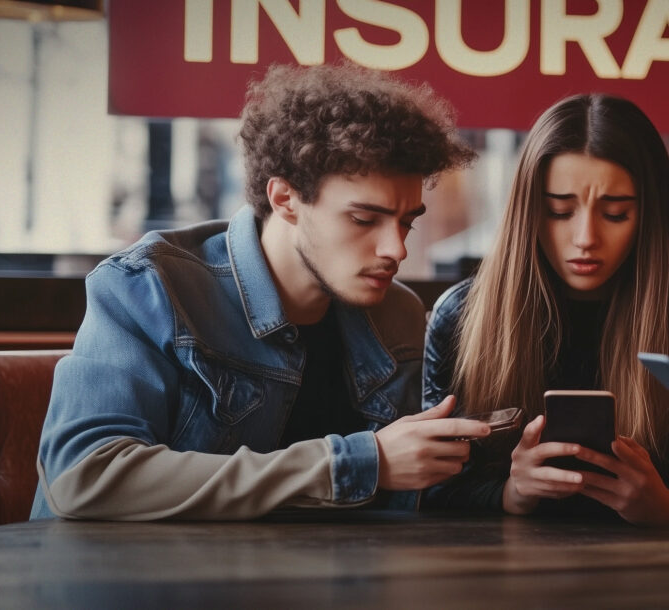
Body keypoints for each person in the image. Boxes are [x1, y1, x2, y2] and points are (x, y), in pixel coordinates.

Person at [32, 63, 487, 520]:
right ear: (285, 199)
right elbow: (84, 475)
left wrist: (502, 491)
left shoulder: (396, 315)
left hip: (307, 582)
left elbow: (399, 498)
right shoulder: (150, 286)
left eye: (407, 221)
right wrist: (354, 464)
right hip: (126, 585)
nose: (397, 249)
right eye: (364, 220)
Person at [422, 94, 669, 526]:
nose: (585, 238)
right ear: (528, 211)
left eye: (615, 214)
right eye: (560, 211)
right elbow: (430, 488)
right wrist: (511, 493)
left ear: (650, 215)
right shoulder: (462, 315)